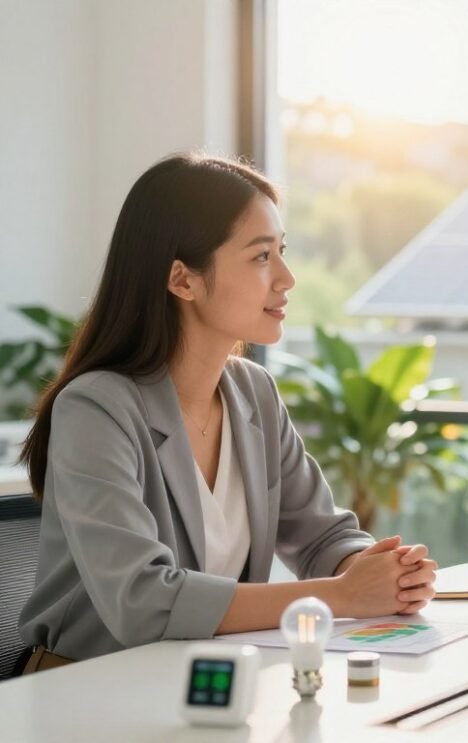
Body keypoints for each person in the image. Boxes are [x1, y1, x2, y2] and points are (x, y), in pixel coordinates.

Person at [17, 154, 438, 673]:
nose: (286, 278)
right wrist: (343, 596)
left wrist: (374, 570)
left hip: (203, 684)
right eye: (261, 257)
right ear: (183, 280)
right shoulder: (96, 408)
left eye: (281, 252)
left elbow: (322, 535)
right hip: (83, 693)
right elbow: (143, 602)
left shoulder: (252, 391)